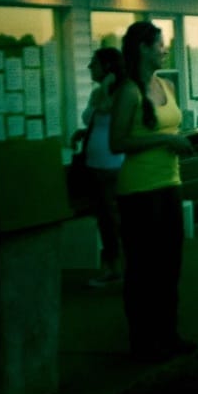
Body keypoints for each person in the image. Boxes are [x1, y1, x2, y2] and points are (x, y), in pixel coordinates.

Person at [110, 21, 197, 362]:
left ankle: (168, 335)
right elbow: (116, 142)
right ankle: (143, 344)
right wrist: (164, 139)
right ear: (144, 48)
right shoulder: (128, 91)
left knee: (169, 265)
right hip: (139, 191)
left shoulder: (165, 85)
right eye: (160, 44)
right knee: (143, 269)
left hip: (169, 184)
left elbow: (170, 126)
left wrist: (182, 141)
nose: (164, 50)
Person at [72, 47, 126, 287]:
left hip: (112, 163)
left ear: (107, 66)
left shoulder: (119, 92)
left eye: (94, 63)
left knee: (113, 218)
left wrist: (105, 90)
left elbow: (115, 117)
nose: (89, 68)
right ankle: (113, 266)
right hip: (96, 163)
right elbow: (92, 120)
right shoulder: (98, 93)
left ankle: (119, 268)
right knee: (105, 219)